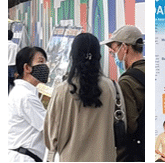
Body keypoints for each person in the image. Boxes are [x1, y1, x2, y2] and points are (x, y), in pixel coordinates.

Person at [44, 33, 126, 161]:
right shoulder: (112, 87)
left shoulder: (62, 90)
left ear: (73, 56)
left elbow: (51, 135)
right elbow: (122, 126)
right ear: (99, 56)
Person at [104, 25, 146, 162]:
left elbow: (129, 126)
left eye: (115, 50)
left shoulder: (127, 81)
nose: (114, 54)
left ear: (125, 48)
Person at [9, 46, 49, 162]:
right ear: (27, 68)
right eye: (41, 61)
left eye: (45, 63)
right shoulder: (26, 96)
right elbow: (48, 126)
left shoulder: (22, 92)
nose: (45, 67)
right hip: (24, 157)